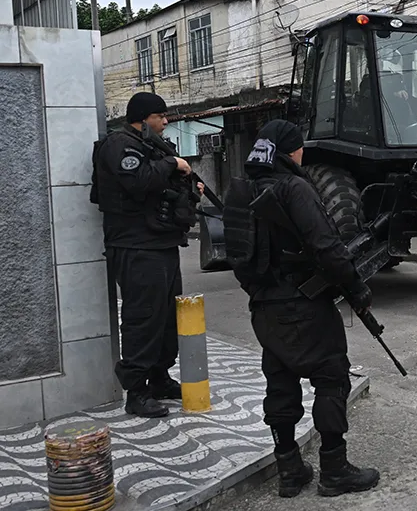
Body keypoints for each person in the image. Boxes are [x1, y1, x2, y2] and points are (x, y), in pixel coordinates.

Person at [221, 119, 379, 498]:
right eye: (300, 148)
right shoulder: (295, 188)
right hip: (306, 306)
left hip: (265, 309)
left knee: (280, 383)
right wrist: (356, 287)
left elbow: (235, 255)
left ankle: (289, 469)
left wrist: (263, 291)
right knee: (331, 378)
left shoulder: (240, 192)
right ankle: (334, 469)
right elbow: (328, 247)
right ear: (290, 152)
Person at [90, 92, 203, 418]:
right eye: (161, 116)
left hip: (161, 244)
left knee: (168, 317)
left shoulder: (151, 146)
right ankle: (136, 391)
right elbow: (138, 182)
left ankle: (159, 378)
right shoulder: (119, 146)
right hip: (135, 247)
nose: (166, 121)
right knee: (144, 318)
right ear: (143, 117)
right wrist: (171, 164)